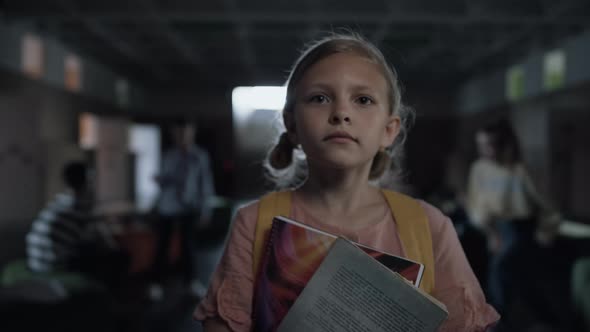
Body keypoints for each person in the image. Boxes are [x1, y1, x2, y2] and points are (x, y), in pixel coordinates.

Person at [194, 33, 499, 331]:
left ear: (389, 130)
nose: (341, 113)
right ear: (292, 125)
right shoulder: (253, 222)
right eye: (320, 98)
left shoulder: (430, 227)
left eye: (363, 99)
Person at [466, 119, 562, 330]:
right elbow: (476, 204)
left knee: (500, 272)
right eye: (481, 145)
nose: (486, 151)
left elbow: (550, 207)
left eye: (491, 144)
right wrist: (490, 232)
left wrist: (545, 234)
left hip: (521, 230)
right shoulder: (479, 169)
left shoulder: (522, 170)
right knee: (519, 283)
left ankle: (497, 324)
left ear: (505, 144)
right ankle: (545, 321)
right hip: (492, 229)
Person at [26, 160, 127, 288]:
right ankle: (109, 300)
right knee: (119, 256)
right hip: (53, 265)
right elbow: (101, 239)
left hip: (36, 262)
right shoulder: (81, 204)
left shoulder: (61, 200)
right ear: (87, 181)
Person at [151, 120, 216, 299]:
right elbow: (163, 180)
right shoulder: (168, 155)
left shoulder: (199, 156)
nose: (182, 137)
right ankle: (156, 283)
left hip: (190, 206)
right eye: (178, 134)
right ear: (174, 134)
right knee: (162, 246)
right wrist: (161, 181)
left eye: (185, 133)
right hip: (168, 206)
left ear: (192, 133)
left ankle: (191, 282)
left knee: (188, 246)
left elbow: (206, 183)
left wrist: (206, 209)